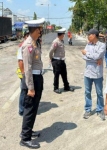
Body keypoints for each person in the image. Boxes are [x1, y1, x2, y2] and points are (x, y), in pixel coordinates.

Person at [19, 18, 45, 149]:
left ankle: (28, 130)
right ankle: (25, 138)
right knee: (29, 109)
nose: (41, 31)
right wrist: (30, 87)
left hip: (37, 77)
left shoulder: (35, 42)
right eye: (40, 29)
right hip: (32, 80)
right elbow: (27, 67)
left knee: (34, 108)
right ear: (36, 30)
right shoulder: (28, 45)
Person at [81, 29, 106, 120]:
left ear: (94, 35)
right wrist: (95, 59)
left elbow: (96, 56)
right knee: (87, 92)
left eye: (89, 35)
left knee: (99, 93)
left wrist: (87, 53)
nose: (88, 36)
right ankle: (88, 109)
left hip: (97, 74)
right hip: (87, 73)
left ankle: (100, 110)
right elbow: (83, 57)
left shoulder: (102, 45)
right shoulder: (88, 44)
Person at [49, 28, 74, 94]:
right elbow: (51, 51)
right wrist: (51, 59)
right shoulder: (56, 42)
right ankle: (56, 88)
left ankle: (66, 86)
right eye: (63, 34)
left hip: (62, 60)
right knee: (56, 75)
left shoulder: (61, 41)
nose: (64, 35)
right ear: (61, 34)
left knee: (64, 74)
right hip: (57, 61)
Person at [16, 30, 29, 116]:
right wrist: (24, 73)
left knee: (26, 90)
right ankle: (21, 110)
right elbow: (20, 61)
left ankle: (25, 107)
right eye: (27, 36)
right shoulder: (23, 46)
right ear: (25, 36)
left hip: (25, 71)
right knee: (24, 91)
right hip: (23, 72)